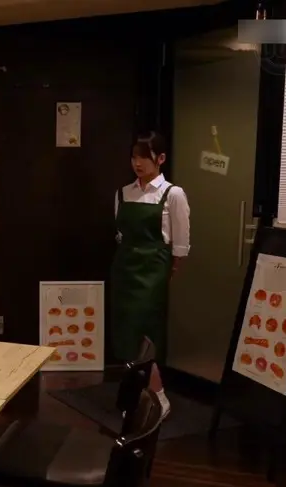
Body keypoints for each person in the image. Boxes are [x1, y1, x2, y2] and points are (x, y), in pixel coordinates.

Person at [109, 131, 190, 418]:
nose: (138, 163)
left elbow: (180, 244)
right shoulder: (123, 193)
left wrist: (170, 270)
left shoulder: (173, 194)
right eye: (134, 156)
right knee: (126, 332)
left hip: (154, 270)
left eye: (144, 156)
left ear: (161, 158)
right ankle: (137, 395)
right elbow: (120, 233)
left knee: (145, 332)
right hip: (125, 268)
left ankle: (157, 394)